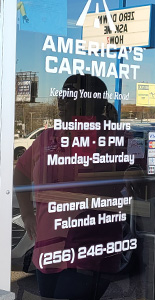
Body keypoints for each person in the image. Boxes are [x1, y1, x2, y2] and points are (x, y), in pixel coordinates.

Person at [14, 74, 131, 299]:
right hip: (49, 247)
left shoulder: (115, 138)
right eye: (62, 95)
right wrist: (27, 213)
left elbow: (139, 176)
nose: (60, 101)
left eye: (69, 96)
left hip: (91, 247)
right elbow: (20, 172)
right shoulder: (48, 138)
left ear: (91, 101)